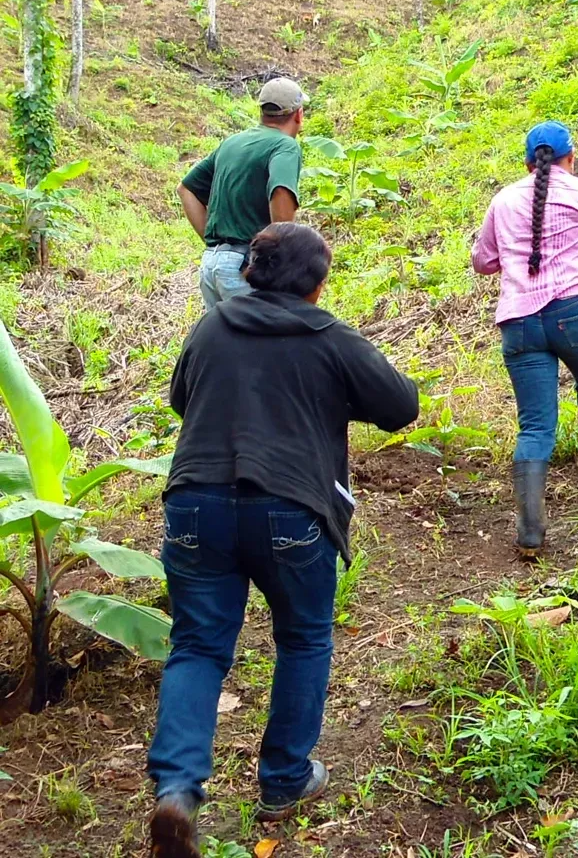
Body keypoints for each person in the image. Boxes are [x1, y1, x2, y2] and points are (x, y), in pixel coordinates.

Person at [147, 223, 419, 858]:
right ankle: (284, 780)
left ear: (249, 273)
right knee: (302, 639)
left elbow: (181, 399)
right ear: (319, 282)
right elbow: (401, 406)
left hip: (195, 504)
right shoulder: (329, 336)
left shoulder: (211, 327)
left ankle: (178, 789)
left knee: (196, 648)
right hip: (290, 510)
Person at [472, 121, 578, 558]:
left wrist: (515, 256)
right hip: (577, 313)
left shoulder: (503, 199)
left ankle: (530, 533)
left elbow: (483, 259)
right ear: (571, 156)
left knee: (535, 425)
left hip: (520, 321)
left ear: (527, 161)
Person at [178, 76, 308, 311]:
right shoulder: (285, 146)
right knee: (262, 345)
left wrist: (213, 242)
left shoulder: (232, 143)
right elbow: (280, 189)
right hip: (247, 268)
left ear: (262, 112)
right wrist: (282, 258)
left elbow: (186, 189)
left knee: (223, 344)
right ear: (298, 114)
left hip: (212, 264)